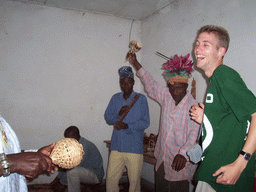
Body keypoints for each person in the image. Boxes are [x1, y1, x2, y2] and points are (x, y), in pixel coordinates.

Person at [190, 25, 256, 192]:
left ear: (221, 51)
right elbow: (235, 120)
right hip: (214, 173)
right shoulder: (216, 81)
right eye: (197, 43)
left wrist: (240, 163)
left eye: (206, 44)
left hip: (222, 177)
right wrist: (207, 117)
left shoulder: (223, 74)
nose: (198, 48)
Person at [128, 52, 200, 192]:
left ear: (186, 87)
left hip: (179, 162)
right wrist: (135, 63)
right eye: (171, 88)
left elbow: (193, 135)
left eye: (179, 88)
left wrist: (183, 154)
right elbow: (151, 84)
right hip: (162, 158)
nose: (174, 92)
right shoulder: (167, 96)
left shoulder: (193, 106)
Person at [104, 66, 150, 192]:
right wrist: (118, 114)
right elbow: (108, 118)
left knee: (134, 184)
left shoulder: (141, 99)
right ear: (120, 83)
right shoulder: (115, 98)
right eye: (123, 82)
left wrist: (127, 126)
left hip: (134, 148)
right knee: (111, 180)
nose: (125, 85)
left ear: (133, 82)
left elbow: (146, 122)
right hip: (117, 147)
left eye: (128, 82)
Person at [0, 115, 57, 192]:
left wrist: (36, 156)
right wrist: (13, 163)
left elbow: (9, 153)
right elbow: (13, 161)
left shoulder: (2, 121)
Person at [51, 126, 104, 192]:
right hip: (85, 172)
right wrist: (57, 179)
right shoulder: (74, 145)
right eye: (66, 138)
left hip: (96, 175)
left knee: (72, 171)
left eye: (68, 138)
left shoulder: (83, 146)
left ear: (75, 136)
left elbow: (73, 166)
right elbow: (66, 165)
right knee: (70, 172)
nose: (66, 140)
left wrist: (61, 182)